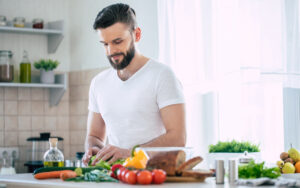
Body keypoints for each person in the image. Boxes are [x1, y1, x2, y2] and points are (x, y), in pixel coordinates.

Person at [82, 3, 186, 166]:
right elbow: (94, 136)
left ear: (136, 35)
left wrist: (130, 153)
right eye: (105, 44)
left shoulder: (162, 75)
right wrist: (94, 149)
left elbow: (178, 138)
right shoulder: (98, 83)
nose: (110, 51)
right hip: (116, 176)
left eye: (117, 41)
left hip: (156, 176)